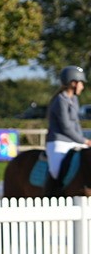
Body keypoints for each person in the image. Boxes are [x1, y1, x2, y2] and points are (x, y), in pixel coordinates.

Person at [44, 65, 91, 194]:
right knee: (55, 172)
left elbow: (76, 124)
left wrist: (82, 141)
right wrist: (85, 141)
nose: (82, 86)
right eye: (81, 83)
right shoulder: (60, 100)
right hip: (58, 143)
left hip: (74, 141)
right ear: (73, 83)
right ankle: (51, 195)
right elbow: (65, 127)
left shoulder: (74, 99)